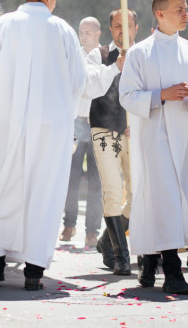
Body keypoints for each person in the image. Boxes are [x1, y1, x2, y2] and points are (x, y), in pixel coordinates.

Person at [0, 0, 87, 291]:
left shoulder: (4, 24)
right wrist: (65, 111)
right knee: (44, 190)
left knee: (1, 183)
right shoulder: (63, 29)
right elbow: (78, 79)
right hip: (51, 126)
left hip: (8, 120)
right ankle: (34, 271)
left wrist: (7, 92)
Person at [119, 0, 188, 294]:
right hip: (155, 135)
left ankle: (148, 260)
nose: (186, 14)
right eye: (179, 10)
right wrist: (162, 95)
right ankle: (173, 270)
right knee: (165, 198)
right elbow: (127, 96)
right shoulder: (139, 52)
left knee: (180, 198)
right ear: (160, 14)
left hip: (186, 134)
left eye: (186, 8)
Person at [84, 8, 138, 275]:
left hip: (135, 132)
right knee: (113, 191)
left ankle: (107, 239)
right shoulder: (99, 55)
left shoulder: (144, 55)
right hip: (105, 128)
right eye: (117, 26)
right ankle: (121, 255)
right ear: (110, 30)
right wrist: (116, 67)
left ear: (136, 29)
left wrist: (138, 121)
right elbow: (91, 86)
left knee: (138, 192)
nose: (122, 31)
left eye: (127, 26)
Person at [60, 17, 103, 249]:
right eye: (81, 31)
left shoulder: (105, 57)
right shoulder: (73, 57)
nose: (83, 36)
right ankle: (69, 224)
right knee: (71, 177)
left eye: (88, 32)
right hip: (76, 122)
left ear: (98, 33)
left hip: (97, 123)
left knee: (97, 181)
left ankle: (92, 231)